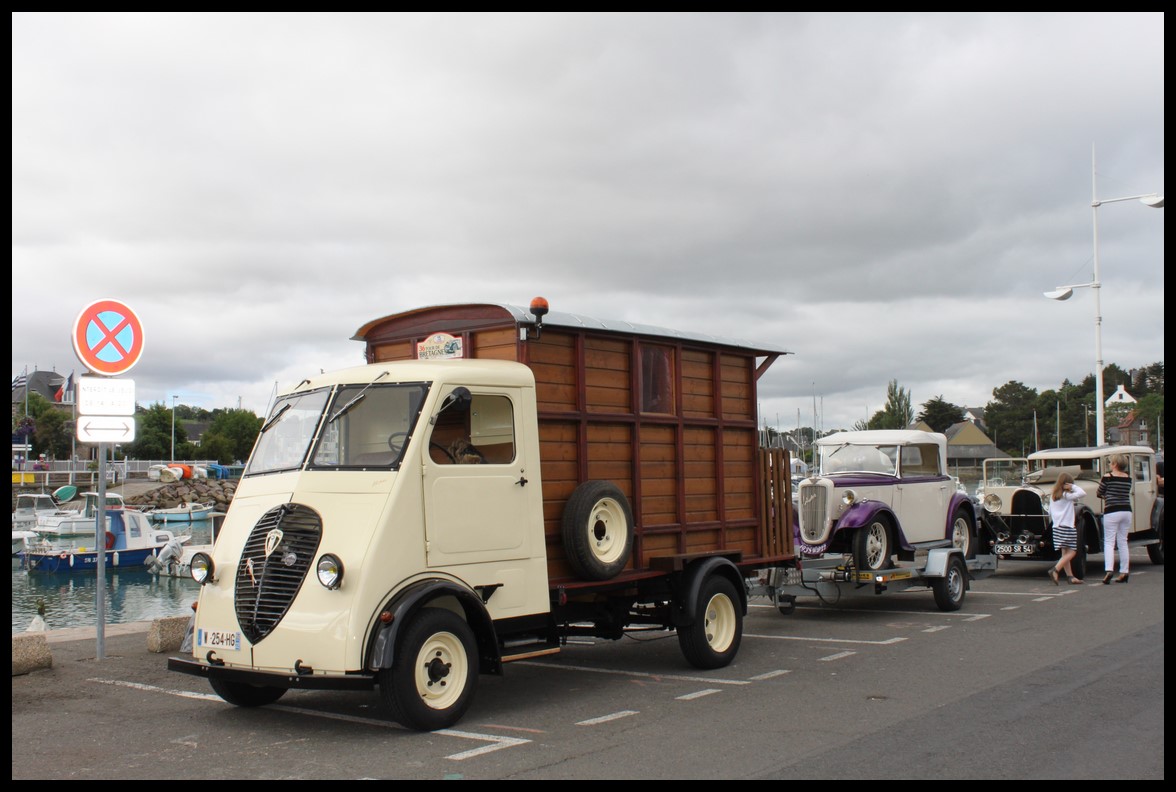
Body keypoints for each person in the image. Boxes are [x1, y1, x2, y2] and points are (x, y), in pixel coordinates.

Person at [1097, 453, 1133, 584]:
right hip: (1126, 510)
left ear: (1115, 464)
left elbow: (1099, 492)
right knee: (1123, 541)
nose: (1110, 465)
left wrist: (1107, 495)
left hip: (1112, 510)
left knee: (1109, 542)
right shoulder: (1128, 478)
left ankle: (1109, 570)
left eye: (1111, 463)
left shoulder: (1108, 477)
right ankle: (1124, 572)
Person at [1046, 471, 1086, 584]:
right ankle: (1055, 569)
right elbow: (1082, 493)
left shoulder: (1053, 496)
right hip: (1067, 527)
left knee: (1065, 552)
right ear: (1066, 484)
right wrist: (1073, 486)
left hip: (1057, 527)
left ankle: (1070, 576)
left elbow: (1049, 512)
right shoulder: (1066, 495)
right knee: (1072, 552)